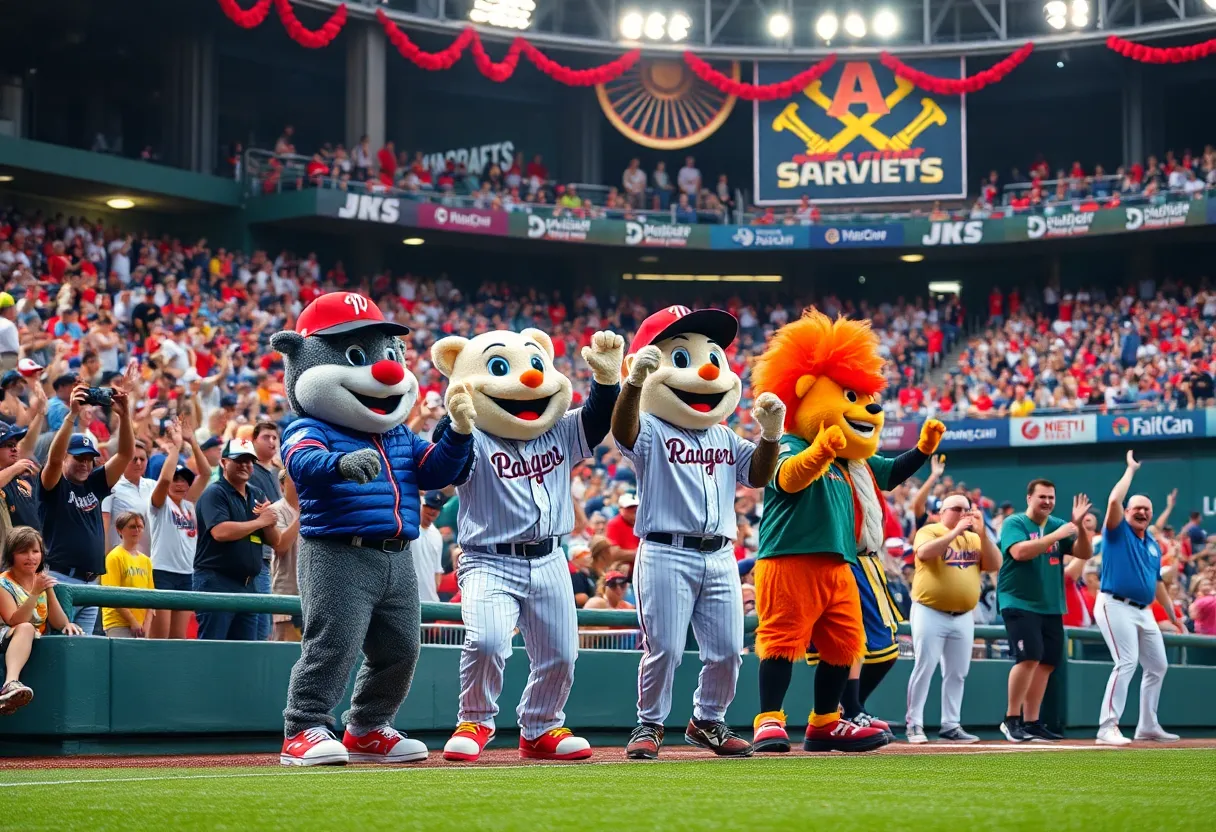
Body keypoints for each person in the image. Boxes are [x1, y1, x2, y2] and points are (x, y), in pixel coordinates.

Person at [1093, 451, 1181, 745]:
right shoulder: (1117, 532)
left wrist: (1172, 615)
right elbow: (1114, 501)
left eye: (1146, 509)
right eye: (1137, 508)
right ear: (1128, 512)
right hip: (1114, 603)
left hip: (1143, 610)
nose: (1142, 512)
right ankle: (1107, 726)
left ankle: (1147, 726)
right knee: (1127, 661)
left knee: (1158, 666)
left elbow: (1157, 583)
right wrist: (1130, 470)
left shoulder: (1153, 543)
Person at [38, 372, 135, 635]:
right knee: (58, 645)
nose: (83, 463)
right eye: (77, 458)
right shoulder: (55, 484)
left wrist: (125, 416)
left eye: (88, 459)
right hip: (61, 578)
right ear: (67, 458)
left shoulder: (94, 483)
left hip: (91, 582)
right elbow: (54, 461)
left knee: (82, 652)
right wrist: (72, 416)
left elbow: (126, 453)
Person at [997, 479, 1093, 742]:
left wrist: (1082, 527)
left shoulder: (1060, 524)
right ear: (1029, 498)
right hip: (1018, 600)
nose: (1048, 502)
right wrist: (1056, 535)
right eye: (1042, 497)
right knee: (1028, 657)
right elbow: (1019, 552)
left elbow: (1085, 552)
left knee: (1047, 663)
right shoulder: (1014, 523)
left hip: (1051, 604)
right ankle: (1011, 720)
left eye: (1051, 497)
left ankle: (1032, 722)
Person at [905, 493, 1002, 744]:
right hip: (930, 610)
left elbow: (994, 563)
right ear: (942, 511)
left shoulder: (974, 538)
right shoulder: (931, 530)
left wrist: (981, 533)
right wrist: (955, 531)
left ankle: (951, 724)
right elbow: (925, 553)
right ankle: (914, 723)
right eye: (957, 508)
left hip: (963, 615)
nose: (963, 513)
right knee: (925, 667)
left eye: (967, 509)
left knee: (957, 672)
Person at [193, 439, 281, 641]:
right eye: (238, 460)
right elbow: (220, 532)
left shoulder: (256, 493)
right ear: (224, 462)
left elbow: (275, 541)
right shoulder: (215, 493)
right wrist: (260, 522)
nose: (245, 465)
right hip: (217, 581)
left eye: (249, 461)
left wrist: (269, 523)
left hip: (249, 585)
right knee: (213, 651)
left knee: (244, 653)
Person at [0, 526, 85, 714]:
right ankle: (10, 683)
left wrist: (67, 624)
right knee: (26, 628)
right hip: (7, 635)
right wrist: (35, 593)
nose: (31, 557)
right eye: (23, 552)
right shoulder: (3, 583)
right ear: (11, 555)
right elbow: (14, 620)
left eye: (35, 551)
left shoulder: (42, 580)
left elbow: (57, 620)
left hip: (34, 640)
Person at [147, 419, 211, 639]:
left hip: (186, 574)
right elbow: (164, 479)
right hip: (162, 572)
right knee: (159, 637)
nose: (180, 484)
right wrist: (175, 448)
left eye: (184, 480)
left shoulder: (189, 504)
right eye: (176, 479)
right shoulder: (160, 503)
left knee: (178, 638)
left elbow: (206, 474)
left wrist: (191, 441)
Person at [248, 421, 282, 642]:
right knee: (260, 621)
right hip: (256, 552)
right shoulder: (250, 471)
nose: (271, 441)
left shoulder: (277, 473)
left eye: (274, 437)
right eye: (266, 437)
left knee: (269, 621)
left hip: (274, 553)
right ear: (253, 441)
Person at [100, 512, 155, 638]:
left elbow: (152, 596)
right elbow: (113, 594)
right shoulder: (114, 557)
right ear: (120, 530)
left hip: (141, 626)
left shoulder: (146, 561)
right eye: (132, 527)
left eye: (140, 527)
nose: (136, 530)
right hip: (118, 623)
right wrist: (132, 621)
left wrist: (146, 624)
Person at [101, 440, 155, 555]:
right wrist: (102, 560)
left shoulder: (153, 485)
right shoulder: (112, 486)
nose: (139, 463)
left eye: (142, 459)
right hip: (121, 558)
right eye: (134, 459)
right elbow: (104, 525)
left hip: (148, 560)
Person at [270, 468, 301, 642]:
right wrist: (302, 515)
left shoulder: (319, 511)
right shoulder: (276, 510)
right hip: (286, 593)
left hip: (312, 596)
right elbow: (280, 545)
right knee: (284, 654)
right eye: (294, 479)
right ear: (282, 485)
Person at [414, 490, 446, 606]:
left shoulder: (437, 535)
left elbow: (437, 571)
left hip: (430, 602)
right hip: (408, 600)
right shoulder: (410, 527)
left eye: (436, 509)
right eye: (429, 506)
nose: (432, 511)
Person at [604, 492, 640, 564]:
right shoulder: (614, 524)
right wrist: (640, 554)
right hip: (626, 568)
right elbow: (614, 553)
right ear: (620, 509)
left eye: (636, 506)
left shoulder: (644, 522)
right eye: (629, 507)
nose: (634, 510)